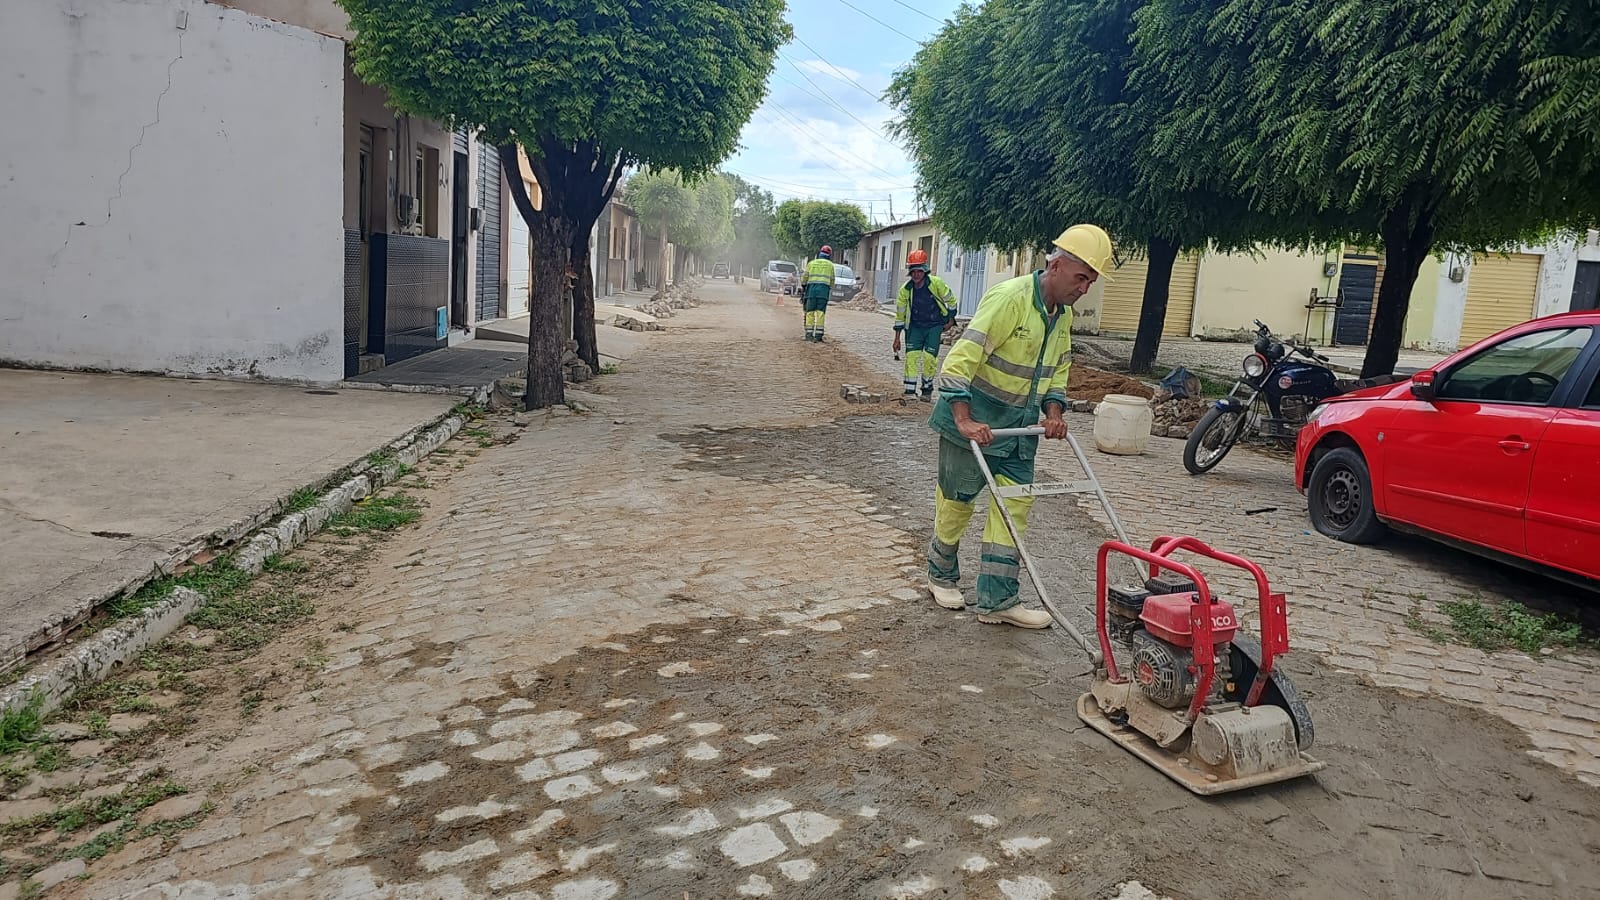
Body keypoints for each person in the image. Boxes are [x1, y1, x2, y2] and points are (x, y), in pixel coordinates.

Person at [925, 224, 1114, 629]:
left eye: (1091, 282)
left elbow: (1058, 370)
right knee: (957, 503)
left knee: (1014, 510)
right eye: (1081, 277)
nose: (1084, 288)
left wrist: (1054, 413)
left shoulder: (1061, 316)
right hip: (973, 424)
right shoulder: (1010, 299)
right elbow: (960, 362)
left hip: (1019, 433)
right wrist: (964, 419)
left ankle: (998, 601)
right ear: (1057, 265)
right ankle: (940, 575)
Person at [892, 249, 958, 402]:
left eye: (919, 271)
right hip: (914, 328)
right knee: (911, 357)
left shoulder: (936, 284)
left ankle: (927, 390)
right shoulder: (905, 291)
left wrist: (950, 320)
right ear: (910, 272)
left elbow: (951, 302)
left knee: (929, 359)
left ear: (925, 271)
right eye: (913, 271)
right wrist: (897, 339)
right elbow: (900, 316)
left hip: (934, 327)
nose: (916, 274)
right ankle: (909, 391)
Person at [801, 245, 836, 342]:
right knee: (820, 313)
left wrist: (803, 286)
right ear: (829, 255)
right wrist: (830, 287)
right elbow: (832, 280)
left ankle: (809, 335)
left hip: (811, 291)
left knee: (810, 312)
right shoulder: (830, 265)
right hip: (823, 292)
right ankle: (818, 335)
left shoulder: (811, 263)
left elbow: (805, 277)